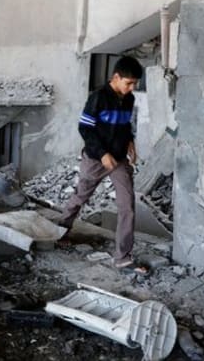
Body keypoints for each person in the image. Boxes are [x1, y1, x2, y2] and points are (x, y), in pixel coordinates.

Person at [58, 55, 148, 274]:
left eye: (135, 84)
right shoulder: (98, 98)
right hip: (95, 158)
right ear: (116, 77)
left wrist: (130, 143)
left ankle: (123, 258)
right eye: (128, 83)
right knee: (80, 196)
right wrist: (102, 153)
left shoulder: (129, 100)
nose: (131, 88)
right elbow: (85, 129)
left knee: (127, 206)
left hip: (119, 160)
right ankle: (58, 233)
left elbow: (125, 126)